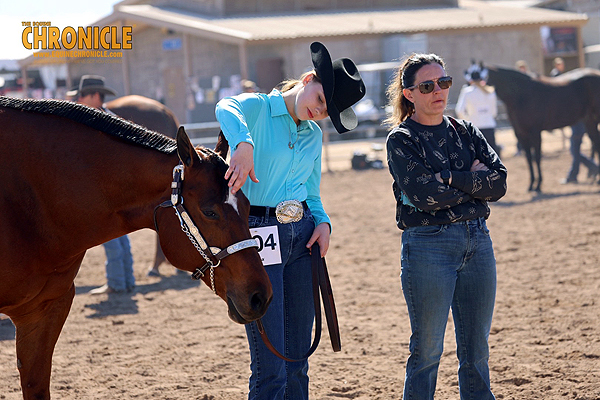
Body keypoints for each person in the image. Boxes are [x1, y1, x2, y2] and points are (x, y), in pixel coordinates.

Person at [215, 42, 365, 400]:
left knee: (298, 360)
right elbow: (225, 106)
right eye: (321, 99)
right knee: (271, 365)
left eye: (327, 110)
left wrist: (323, 222)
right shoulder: (258, 108)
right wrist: (243, 143)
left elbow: (311, 192)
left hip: (303, 237)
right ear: (309, 79)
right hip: (258, 235)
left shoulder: (314, 135)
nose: (319, 111)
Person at [384, 53, 507, 400]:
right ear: (409, 94)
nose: (438, 91)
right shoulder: (402, 139)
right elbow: (425, 197)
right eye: (427, 86)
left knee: (477, 349)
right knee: (427, 350)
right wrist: (474, 184)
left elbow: (499, 183)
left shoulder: (466, 130)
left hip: (478, 241)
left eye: (444, 82)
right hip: (429, 246)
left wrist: (450, 177)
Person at [67, 75, 136, 295]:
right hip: (117, 186)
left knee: (110, 237)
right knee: (120, 235)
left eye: (82, 95)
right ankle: (127, 280)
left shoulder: (96, 121)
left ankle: (117, 282)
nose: (78, 100)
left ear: (94, 96)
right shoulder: (111, 118)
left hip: (103, 189)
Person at [549, 58, 600, 183]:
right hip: (578, 125)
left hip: (578, 126)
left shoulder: (576, 101)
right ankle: (588, 169)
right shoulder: (560, 78)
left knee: (574, 149)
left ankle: (585, 170)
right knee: (575, 149)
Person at [455, 68, 500, 157]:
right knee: (492, 156)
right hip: (489, 126)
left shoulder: (467, 92)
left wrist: (468, 120)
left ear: (471, 80)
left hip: (475, 128)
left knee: (478, 157)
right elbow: (494, 112)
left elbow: (459, 110)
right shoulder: (490, 92)